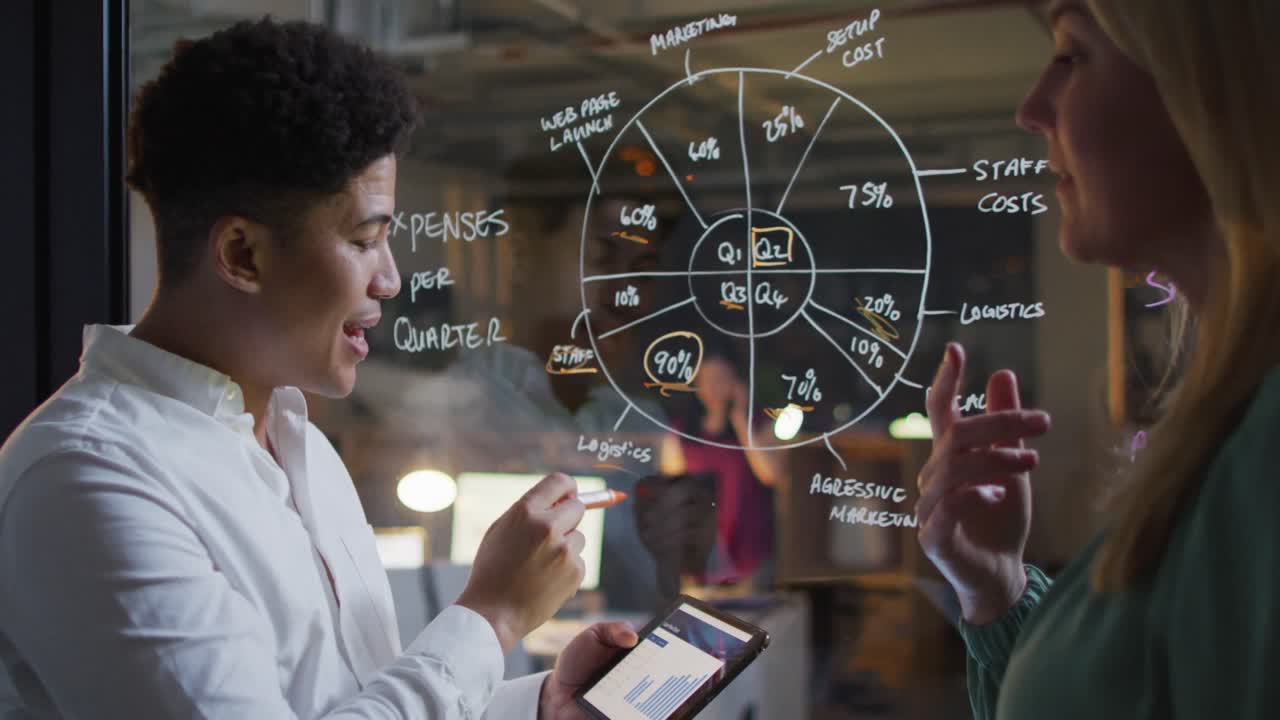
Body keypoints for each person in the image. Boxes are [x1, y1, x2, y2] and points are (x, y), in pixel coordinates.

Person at [0, 18, 637, 718]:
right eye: (366, 240)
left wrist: (538, 703)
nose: (391, 279)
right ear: (242, 254)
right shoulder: (90, 478)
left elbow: (355, 702)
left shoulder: (298, 446)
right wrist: (491, 619)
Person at [916, 0, 1278, 717]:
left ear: (1208, 90)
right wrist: (997, 589)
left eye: (1073, 56)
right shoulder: (1232, 430)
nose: (1031, 108)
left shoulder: (1266, 459)